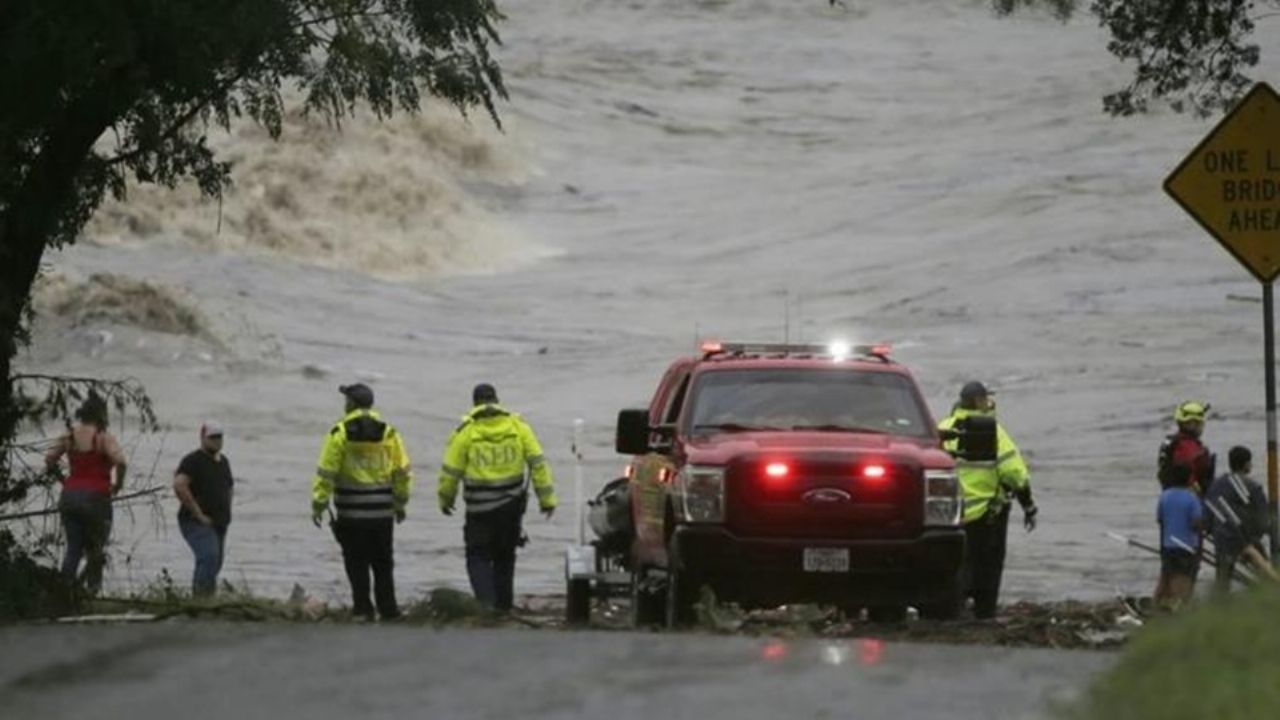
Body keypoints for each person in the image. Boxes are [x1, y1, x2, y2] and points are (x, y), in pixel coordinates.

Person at [438, 383, 557, 612]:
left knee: (478, 555)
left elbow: (450, 472)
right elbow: (537, 463)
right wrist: (547, 499)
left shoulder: (466, 433)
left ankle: (486, 605)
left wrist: (446, 500)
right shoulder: (518, 427)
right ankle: (503, 607)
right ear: (497, 400)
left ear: (475, 403)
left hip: (479, 509)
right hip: (511, 507)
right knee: (505, 556)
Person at [311, 383, 412, 621]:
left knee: (356, 562)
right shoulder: (389, 432)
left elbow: (327, 472)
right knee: (383, 562)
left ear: (351, 404)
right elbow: (402, 472)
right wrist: (400, 504)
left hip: (351, 511)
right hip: (382, 511)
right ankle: (389, 610)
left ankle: (363, 609)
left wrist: (319, 504)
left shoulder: (340, 432)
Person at [937, 381, 1036, 620]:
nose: (989, 403)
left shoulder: (943, 428)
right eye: (986, 399)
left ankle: (948, 611)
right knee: (988, 570)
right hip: (987, 516)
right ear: (978, 402)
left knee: (952, 567)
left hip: (947, 515)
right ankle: (984, 614)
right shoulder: (994, 432)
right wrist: (1029, 505)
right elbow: (1014, 474)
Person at [44, 393, 128, 594]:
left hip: (69, 496)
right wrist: (118, 485)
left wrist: (64, 481)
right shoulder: (103, 438)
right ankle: (92, 593)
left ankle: (64, 592)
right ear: (101, 415)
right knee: (96, 550)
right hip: (96, 498)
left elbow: (49, 459)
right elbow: (121, 462)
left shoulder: (69, 436)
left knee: (73, 548)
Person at [1204, 446, 1278, 592]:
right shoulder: (1253, 487)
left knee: (1223, 577)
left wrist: (1210, 529)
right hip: (1244, 537)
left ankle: (1220, 606)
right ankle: (1270, 595)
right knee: (1264, 568)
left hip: (1222, 535)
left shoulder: (1217, 484)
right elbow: (1262, 519)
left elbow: (1209, 509)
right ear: (1246, 464)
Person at [173, 422, 234, 597]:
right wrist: (198, 513)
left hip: (220, 522)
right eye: (212, 437)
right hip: (195, 521)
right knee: (209, 556)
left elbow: (229, 487)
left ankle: (207, 599)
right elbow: (179, 485)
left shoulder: (224, 462)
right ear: (202, 437)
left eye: (219, 437)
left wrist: (227, 512)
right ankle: (199, 600)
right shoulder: (193, 460)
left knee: (215, 563)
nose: (216, 441)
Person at [1155, 464, 1204, 609]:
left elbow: (1160, 520)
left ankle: (1156, 608)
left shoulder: (1165, 495)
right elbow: (1196, 524)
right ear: (1189, 478)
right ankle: (1178, 613)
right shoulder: (1192, 498)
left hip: (1167, 546)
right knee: (1183, 582)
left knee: (1165, 578)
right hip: (1186, 547)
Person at [1158, 401, 1215, 494]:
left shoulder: (1172, 442)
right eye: (1200, 423)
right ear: (1190, 423)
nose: (1202, 427)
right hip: (1188, 496)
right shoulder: (1187, 447)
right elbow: (1187, 475)